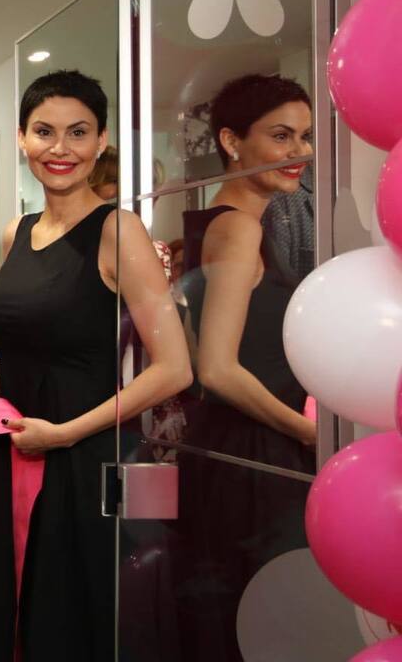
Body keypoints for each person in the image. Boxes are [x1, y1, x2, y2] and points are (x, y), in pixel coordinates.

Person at [0, 70, 191, 660]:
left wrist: (64, 434)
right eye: (44, 132)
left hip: (84, 459)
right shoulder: (18, 231)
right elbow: (44, 341)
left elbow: (174, 368)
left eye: (78, 132)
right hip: (19, 450)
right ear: (22, 139)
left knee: (70, 624)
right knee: (18, 612)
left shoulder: (119, 231)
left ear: (101, 141)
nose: (60, 148)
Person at [173, 74, 316, 661]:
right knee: (264, 621)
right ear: (232, 142)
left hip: (237, 449)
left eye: (305, 136)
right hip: (254, 456)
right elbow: (217, 369)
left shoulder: (218, 221)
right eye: (281, 136)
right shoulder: (237, 227)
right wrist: (312, 434)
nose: (299, 151)